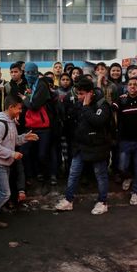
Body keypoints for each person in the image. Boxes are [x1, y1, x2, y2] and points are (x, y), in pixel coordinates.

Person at [0, 96, 38, 234]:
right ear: (11, 107)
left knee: (2, 193)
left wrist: (24, 138)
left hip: (5, 165)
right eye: (19, 108)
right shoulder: (0, 124)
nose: (20, 111)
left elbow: (13, 141)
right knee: (5, 194)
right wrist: (12, 154)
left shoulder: (10, 122)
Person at [55, 79, 113, 215]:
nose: (79, 97)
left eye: (81, 94)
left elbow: (97, 121)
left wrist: (86, 107)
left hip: (98, 146)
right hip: (80, 145)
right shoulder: (78, 103)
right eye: (77, 94)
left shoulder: (102, 105)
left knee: (101, 175)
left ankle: (102, 202)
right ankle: (68, 200)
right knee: (73, 173)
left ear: (90, 93)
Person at [114, 77, 137, 205]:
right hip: (125, 140)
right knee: (122, 166)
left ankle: (136, 193)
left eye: (135, 84)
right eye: (130, 84)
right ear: (126, 86)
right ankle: (128, 177)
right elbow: (111, 110)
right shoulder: (122, 99)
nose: (132, 86)